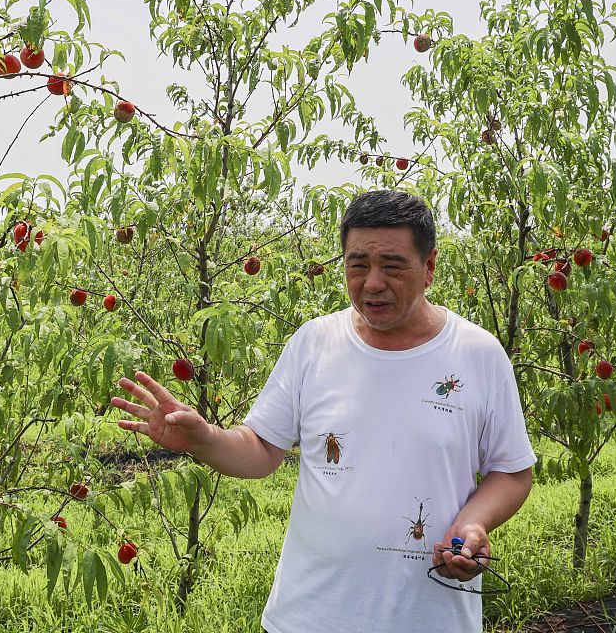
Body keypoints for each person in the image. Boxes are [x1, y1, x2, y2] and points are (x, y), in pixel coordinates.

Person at [112, 190, 536, 632]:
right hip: (307, 616)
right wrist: (205, 439)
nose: (373, 283)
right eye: (358, 265)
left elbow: (511, 471)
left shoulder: (477, 355)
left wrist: (473, 522)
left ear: (429, 267)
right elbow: (261, 449)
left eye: (392, 266)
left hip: (430, 618)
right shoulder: (315, 344)